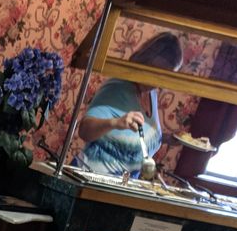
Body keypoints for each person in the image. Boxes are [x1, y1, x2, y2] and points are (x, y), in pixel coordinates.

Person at [77, 32, 183, 175]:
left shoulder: (151, 93)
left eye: (165, 77)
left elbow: (138, 134)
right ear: (145, 60)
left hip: (121, 184)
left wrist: (166, 139)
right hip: (91, 178)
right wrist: (115, 122)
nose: (157, 82)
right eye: (155, 72)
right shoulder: (118, 87)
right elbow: (84, 130)